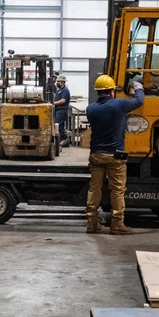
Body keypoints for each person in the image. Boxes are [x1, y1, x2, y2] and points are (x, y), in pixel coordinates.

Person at [84, 75, 145, 235]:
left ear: (98, 91)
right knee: (117, 189)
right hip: (115, 156)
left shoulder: (90, 109)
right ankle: (117, 224)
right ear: (111, 91)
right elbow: (139, 101)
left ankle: (92, 223)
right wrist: (138, 86)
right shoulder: (119, 105)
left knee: (94, 188)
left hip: (96, 155)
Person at [53, 74, 71, 148]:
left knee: (59, 125)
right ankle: (63, 140)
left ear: (63, 82)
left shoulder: (65, 90)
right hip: (58, 110)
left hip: (62, 110)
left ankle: (65, 138)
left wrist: (54, 103)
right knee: (59, 125)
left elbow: (63, 100)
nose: (58, 83)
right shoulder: (59, 90)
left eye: (59, 82)